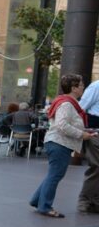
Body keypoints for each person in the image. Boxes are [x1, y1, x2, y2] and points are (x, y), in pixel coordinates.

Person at [29, 74, 95, 218]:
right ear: (73, 88)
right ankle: (45, 207)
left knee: (54, 174)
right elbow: (62, 125)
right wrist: (81, 134)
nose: (83, 87)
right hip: (59, 143)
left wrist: (85, 132)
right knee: (55, 175)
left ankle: (36, 200)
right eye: (81, 85)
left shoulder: (67, 102)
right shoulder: (66, 104)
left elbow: (66, 124)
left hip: (58, 143)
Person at [78, 78, 99, 213]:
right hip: (95, 132)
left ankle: (95, 200)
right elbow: (80, 108)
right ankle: (84, 200)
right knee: (97, 165)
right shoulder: (96, 86)